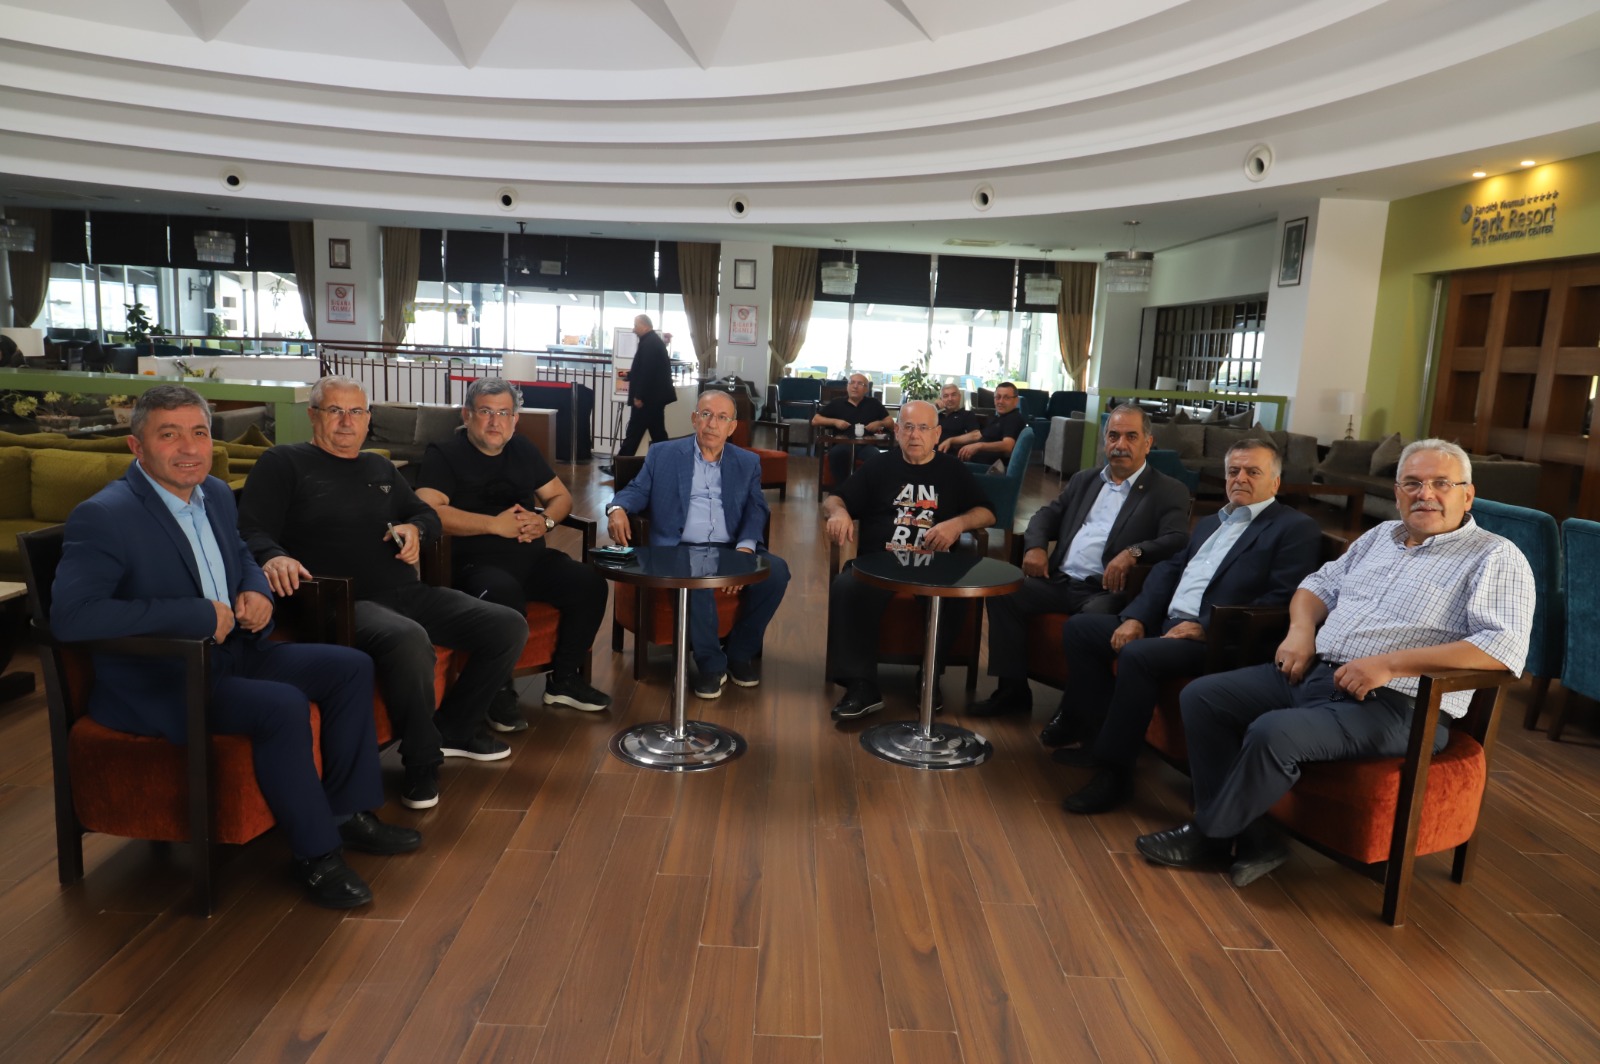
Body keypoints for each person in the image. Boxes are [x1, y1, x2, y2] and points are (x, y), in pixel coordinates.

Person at [50, 385, 419, 910]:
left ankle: (347, 812)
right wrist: (198, 614)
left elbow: (241, 552)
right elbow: (72, 617)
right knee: (281, 705)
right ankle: (317, 855)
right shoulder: (105, 515)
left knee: (350, 667)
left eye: (199, 433)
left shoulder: (217, 493)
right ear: (137, 446)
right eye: (169, 434)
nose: (189, 448)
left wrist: (255, 588)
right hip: (163, 678)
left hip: (233, 653)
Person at [1135, 439, 1534, 888]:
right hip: (1316, 673)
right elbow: (1316, 585)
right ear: (1397, 492)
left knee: (1273, 732)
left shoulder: (1494, 556)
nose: (1425, 494)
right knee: (1204, 697)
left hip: (1398, 705)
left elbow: (1502, 647)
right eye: (1412, 483)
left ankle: (1209, 835)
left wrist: (1390, 665)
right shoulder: (1380, 537)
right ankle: (1251, 835)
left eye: (1441, 483)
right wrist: (1300, 631)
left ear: (1468, 494)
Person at [239, 377, 529, 813]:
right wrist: (273, 556)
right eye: (335, 411)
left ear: (368, 419)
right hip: (336, 602)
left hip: (405, 591)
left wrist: (415, 528)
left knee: (506, 625)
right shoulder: (283, 463)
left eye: (356, 412)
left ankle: (455, 727)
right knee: (408, 638)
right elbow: (251, 529)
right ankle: (421, 759)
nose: (346, 421)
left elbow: (426, 514)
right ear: (313, 415)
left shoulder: (379, 468)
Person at [1054, 439, 1322, 814]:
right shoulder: (1213, 521)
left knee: (1138, 655)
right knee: (1080, 630)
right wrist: (1137, 617)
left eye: (1252, 472)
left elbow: (1283, 597)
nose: (1240, 479)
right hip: (1168, 623)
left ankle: (1115, 773)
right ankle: (1096, 736)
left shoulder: (1294, 528)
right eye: (1233, 471)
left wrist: (1206, 628)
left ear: (1275, 482)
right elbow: (1169, 570)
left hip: (1222, 639)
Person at [971, 403, 1190, 721]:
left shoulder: (1167, 490)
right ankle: (1012, 692)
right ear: (1105, 441)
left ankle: (1074, 712)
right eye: (1113, 436)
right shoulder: (1085, 480)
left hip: (1108, 590)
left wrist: (1133, 553)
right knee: (1005, 593)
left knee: (1085, 624)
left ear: (1148, 443)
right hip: (1059, 580)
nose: (1120, 444)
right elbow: (1045, 515)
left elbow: (1177, 539)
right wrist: (1036, 547)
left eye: (1131, 436)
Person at [416, 377, 613, 730]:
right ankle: (498, 691)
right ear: (467, 415)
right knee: (504, 594)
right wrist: (493, 525)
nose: (495, 422)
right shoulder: (444, 454)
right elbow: (429, 510)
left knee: (589, 583)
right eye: (486, 412)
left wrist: (546, 522)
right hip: (473, 565)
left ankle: (564, 680)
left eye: (504, 413)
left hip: (530, 560)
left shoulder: (522, 449)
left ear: (515, 419)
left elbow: (560, 497)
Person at [606, 390, 791, 697]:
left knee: (777, 572)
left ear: (732, 427)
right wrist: (617, 508)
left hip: (730, 547)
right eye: (706, 414)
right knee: (697, 574)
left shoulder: (747, 462)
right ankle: (710, 665)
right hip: (681, 548)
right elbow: (636, 490)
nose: (712, 423)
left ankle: (739, 653)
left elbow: (757, 508)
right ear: (694, 419)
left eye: (721, 417)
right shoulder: (663, 454)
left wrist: (745, 550)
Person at [823, 400, 995, 721]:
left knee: (956, 596)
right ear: (897, 431)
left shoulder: (952, 470)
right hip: (879, 564)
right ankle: (861, 685)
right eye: (908, 427)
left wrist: (957, 524)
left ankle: (929, 676)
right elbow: (835, 498)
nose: (915, 435)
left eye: (923, 428)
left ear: (937, 434)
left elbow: (987, 511)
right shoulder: (879, 466)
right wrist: (839, 512)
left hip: (934, 567)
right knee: (847, 587)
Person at [606, 314, 675, 472]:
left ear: (644, 326)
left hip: (646, 400)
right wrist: (631, 375)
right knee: (658, 436)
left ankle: (618, 468)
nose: (633, 329)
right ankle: (669, 465)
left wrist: (639, 396)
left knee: (634, 435)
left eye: (636, 325)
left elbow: (647, 372)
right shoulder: (653, 342)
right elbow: (646, 369)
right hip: (654, 400)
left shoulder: (649, 343)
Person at [812, 373, 894, 487]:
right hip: (842, 444)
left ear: (866, 389)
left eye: (860, 384)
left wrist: (880, 423)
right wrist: (835, 422)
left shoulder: (874, 404)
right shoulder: (837, 403)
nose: (855, 386)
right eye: (852, 383)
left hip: (866, 445)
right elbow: (815, 420)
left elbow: (891, 423)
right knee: (837, 454)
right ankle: (842, 490)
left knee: (876, 458)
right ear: (847, 386)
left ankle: (866, 491)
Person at [938, 380, 1025, 467]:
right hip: (968, 459)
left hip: (982, 467)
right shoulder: (1000, 418)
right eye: (997, 397)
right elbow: (978, 435)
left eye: (1006, 398)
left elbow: (1008, 446)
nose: (1000, 401)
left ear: (1016, 400)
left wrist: (979, 446)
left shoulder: (1013, 418)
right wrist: (951, 440)